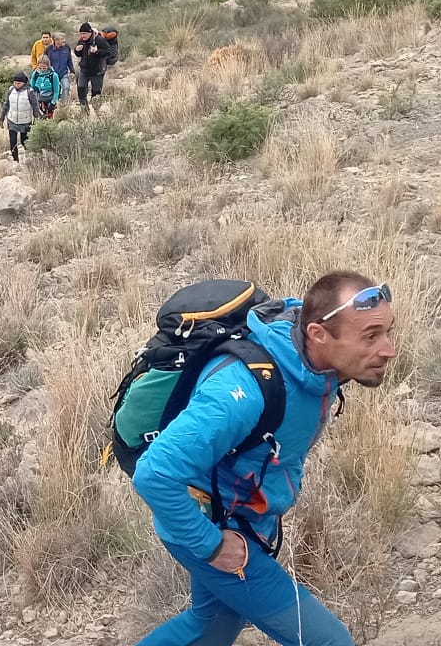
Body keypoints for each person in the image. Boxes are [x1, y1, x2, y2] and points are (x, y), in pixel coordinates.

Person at [132, 272, 398, 646]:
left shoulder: (311, 357)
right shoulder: (240, 393)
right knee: (329, 641)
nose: (388, 349)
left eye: (387, 332)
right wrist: (212, 545)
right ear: (319, 334)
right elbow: (154, 475)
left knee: (214, 625)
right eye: (371, 336)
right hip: (207, 523)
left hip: (244, 516)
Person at [3, 71, 46, 163]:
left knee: (24, 142)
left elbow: (35, 106)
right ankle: (16, 161)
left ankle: (28, 160)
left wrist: (36, 119)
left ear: (24, 83)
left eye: (18, 83)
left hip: (25, 122)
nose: (16, 85)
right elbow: (6, 105)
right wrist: (2, 117)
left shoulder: (29, 92)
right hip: (12, 120)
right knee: (13, 143)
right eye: (15, 83)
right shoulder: (11, 90)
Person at [73, 22, 114, 113]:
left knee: (96, 93)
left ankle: (97, 111)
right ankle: (84, 111)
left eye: (84, 33)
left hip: (97, 71)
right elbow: (79, 54)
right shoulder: (81, 41)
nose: (82, 36)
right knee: (81, 89)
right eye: (81, 33)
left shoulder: (99, 40)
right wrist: (76, 50)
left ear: (90, 32)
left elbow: (109, 52)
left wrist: (97, 51)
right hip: (84, 70)